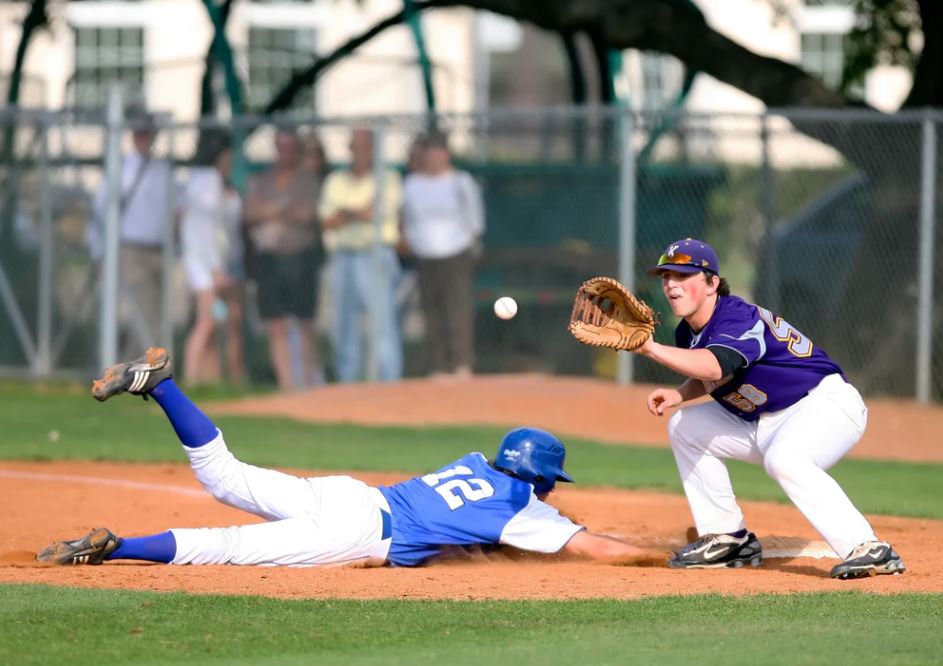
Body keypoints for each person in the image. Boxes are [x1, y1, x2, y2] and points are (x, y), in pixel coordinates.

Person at [36, 348, 656, 568]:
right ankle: (117, 548)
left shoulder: (473, 462)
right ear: (541, 479)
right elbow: (594, 547)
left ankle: (163, 385)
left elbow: (475, 528)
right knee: (225, 545)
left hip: (350, 494)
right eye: (550, 483)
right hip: (359, 531)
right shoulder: (525, 510)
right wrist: (664, 559)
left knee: (223, 477)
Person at [636, 238, 905, 580]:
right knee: (685, 426)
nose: (671, 284)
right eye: (665, 276)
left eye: (682, 275)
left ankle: (868, 548)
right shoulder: (687, 333)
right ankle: (728, 539)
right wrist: (680, 394)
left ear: (712, 283)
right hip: (765, 419)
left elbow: (717, 365)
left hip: (824, 404)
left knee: (785, 459)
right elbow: (714, 373)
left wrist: (649, 349)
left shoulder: (737, 317)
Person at [87, 106, 176, 358]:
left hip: (160, 249)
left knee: (156, 314)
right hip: (131, 249)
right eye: (140, 134)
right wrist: (99, 252)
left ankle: (137, 369)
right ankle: (142, 371)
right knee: (144, 314)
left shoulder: (163, 169)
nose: (144, 139)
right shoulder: (121, 170)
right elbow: (99, 212)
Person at [319, 128, 403, 383]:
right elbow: (328, 221)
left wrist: (346, 213)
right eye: (356, 145)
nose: (361, 150)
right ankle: (347, 384)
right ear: (349, 149)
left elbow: (377, 214)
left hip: (376, 253)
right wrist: (357, 211)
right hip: (344, 255)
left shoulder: (388, 177)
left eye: (366, 145)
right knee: (344, 325)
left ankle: (389, 383)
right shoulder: (335, 180)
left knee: (382, 323)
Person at [401, 132, 484, 380]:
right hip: (424, 254)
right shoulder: (413, 183)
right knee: (431, 310)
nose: (434, 158)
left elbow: (475, 220)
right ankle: (437, 366)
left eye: (439, 152)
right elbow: (407, 220)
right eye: (430, 152)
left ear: (446, 154)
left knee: (457, 309)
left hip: (456, 252)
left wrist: (468, 243)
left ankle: (461, 364)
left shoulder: (461, 181)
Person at [244, 127, 320, 390]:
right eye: (281, 147)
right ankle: (287, 386)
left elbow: (306, 214)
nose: (285, 153)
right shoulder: (263, 180)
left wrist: (270, 211)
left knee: (304, 322)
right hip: (270, 260)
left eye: (290, 147)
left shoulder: (307, 179)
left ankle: (309, 384)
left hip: (300, 258)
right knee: (275, 323)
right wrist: (283, 208)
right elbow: (251, 212)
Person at [180, 130, 245, 386]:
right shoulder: (208, 182)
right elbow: (206, 230)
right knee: (207, 322)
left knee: (220, 320)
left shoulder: (203, 181)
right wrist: (216, 269)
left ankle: (210, 380)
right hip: (206, 266)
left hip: (212, 263)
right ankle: (192, 379)